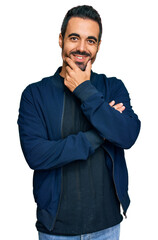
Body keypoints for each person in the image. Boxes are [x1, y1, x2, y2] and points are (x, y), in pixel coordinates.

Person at [18, 5, 141, 240]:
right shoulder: (35, 95)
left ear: (98, 46)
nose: (82, 48)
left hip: (106, 227)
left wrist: (85, 90)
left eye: (91, 41)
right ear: (61, 39)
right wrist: (100, 134)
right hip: (56, 230)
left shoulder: (112, 87)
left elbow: (127, 135)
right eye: (74, 38)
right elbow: (37, 155)